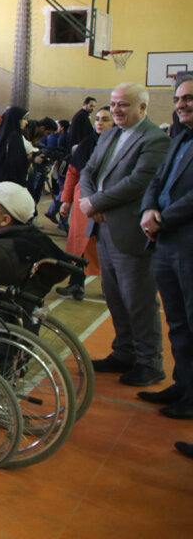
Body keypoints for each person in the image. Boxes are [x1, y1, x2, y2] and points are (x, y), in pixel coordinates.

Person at [79, 82, 171, 388]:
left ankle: (150, 362)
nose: (116, 109)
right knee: (115, 296)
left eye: (124, 104)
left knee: (138, 299)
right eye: (114, 103)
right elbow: (88, 171)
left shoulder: (154, 139)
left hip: (130, 230)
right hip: (104, 227)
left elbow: (139, 181)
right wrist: (91, 204)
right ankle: (124, 352)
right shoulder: (110, 134)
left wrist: (95, 202)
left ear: (142, 108)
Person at [140, 76, 193, 420]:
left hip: (186, 242)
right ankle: (183, 386)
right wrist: (148, 209)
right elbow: (158, 179)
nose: (181, 104)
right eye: (177, 99)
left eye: (188, 98)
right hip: (166, 244)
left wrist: (163, 218)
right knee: (177, 323)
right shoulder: (178, 137)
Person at [56, 107, 114, 299]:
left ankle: (110, 287)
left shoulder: (121, 144)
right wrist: (65, 201)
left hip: (109, 203)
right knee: (80, 245)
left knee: (107, 246)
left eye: (105, 119)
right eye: (97, 119)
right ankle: (76, 284)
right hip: (83, 204)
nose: (99, 122)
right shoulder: (87, 144)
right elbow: (73, 173)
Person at [0, 106, 30, 187]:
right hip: (10, 183)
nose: (26, 122)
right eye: (24, 119)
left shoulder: (1, 135)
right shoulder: (14, 137)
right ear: (16, 119)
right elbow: (16, 162)